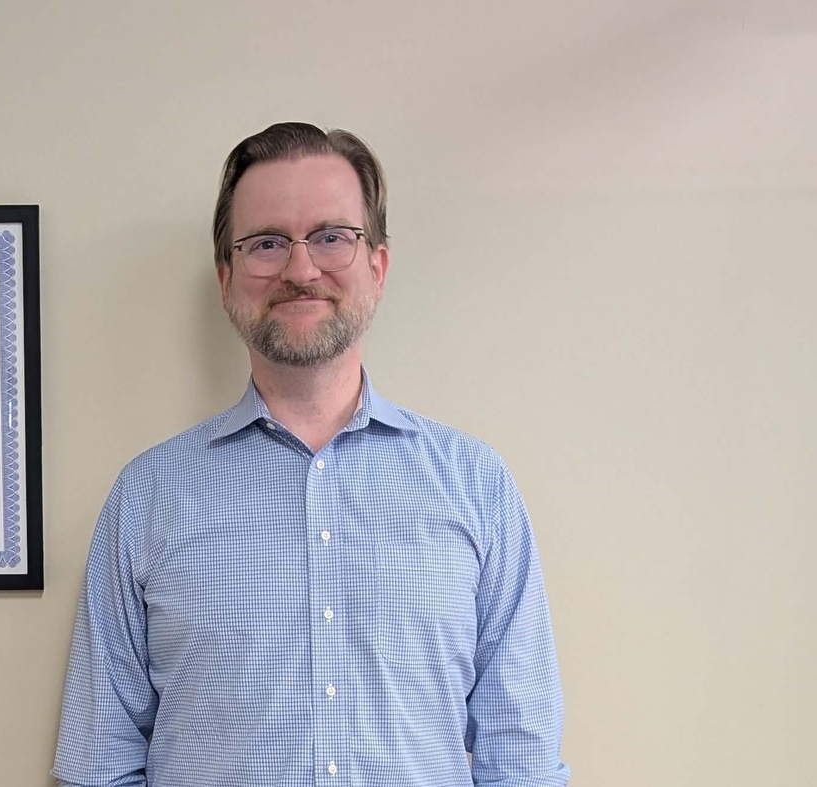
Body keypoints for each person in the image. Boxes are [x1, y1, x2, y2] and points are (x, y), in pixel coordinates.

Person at [52, 123, 569, 787]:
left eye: (331, 236)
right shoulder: (147, 496)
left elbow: (520, 762)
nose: (301, 269)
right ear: (226, 277)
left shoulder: (476, 485)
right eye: (267, 243)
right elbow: (100, 764)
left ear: (376, 266)